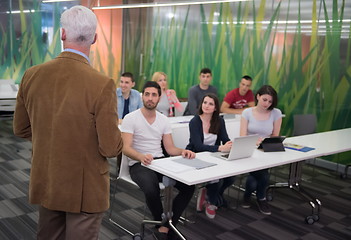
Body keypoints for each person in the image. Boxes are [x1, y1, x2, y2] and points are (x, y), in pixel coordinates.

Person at [13, 6, 123, 239]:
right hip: (85, 188)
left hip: (48, 178)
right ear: (94, 38)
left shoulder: (31, 74)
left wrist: (52, 136)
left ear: (62, 34)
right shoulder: (102, 84)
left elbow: (20, 128)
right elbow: (110, 148)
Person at [121, 81, 195, 240]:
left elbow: (170, 149)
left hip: (160, 162)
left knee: (189, 186)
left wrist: (183, 151)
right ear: (142, 96)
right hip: (138, 163)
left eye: (154, 95)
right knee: (151, 189)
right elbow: (125, 148)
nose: (150, 98)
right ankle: (163, 225)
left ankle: (166, 225)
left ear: (159, 98)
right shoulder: (130, 118)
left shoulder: (163, 120)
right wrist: (140, 156)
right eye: (147, 94)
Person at [186, 93, 234, 219]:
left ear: (215, 108)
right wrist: (219, 148)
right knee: (216, 178)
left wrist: (231, 144)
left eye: (210, 104)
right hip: (196, 156)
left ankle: (210, 193)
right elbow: (198, 146)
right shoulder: (195, 121)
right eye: (205, 102)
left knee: (231, 178)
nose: (206, 106)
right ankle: (211, 202)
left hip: (213, 156)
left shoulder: (219, 121)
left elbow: (225, 139)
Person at [240, 85, 282, 215]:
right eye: (264, 100)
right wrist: (255, 141)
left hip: (265, 149)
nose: (267, 104)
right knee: (263, 175)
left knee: (258, 176)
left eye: (270, 101)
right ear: (258, 96)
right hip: (250, 149)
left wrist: (264, 142)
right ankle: (260, 197)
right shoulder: (247, 112)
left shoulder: (276, 113)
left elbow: (275, 135)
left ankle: (250, 195)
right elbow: (242, 136)